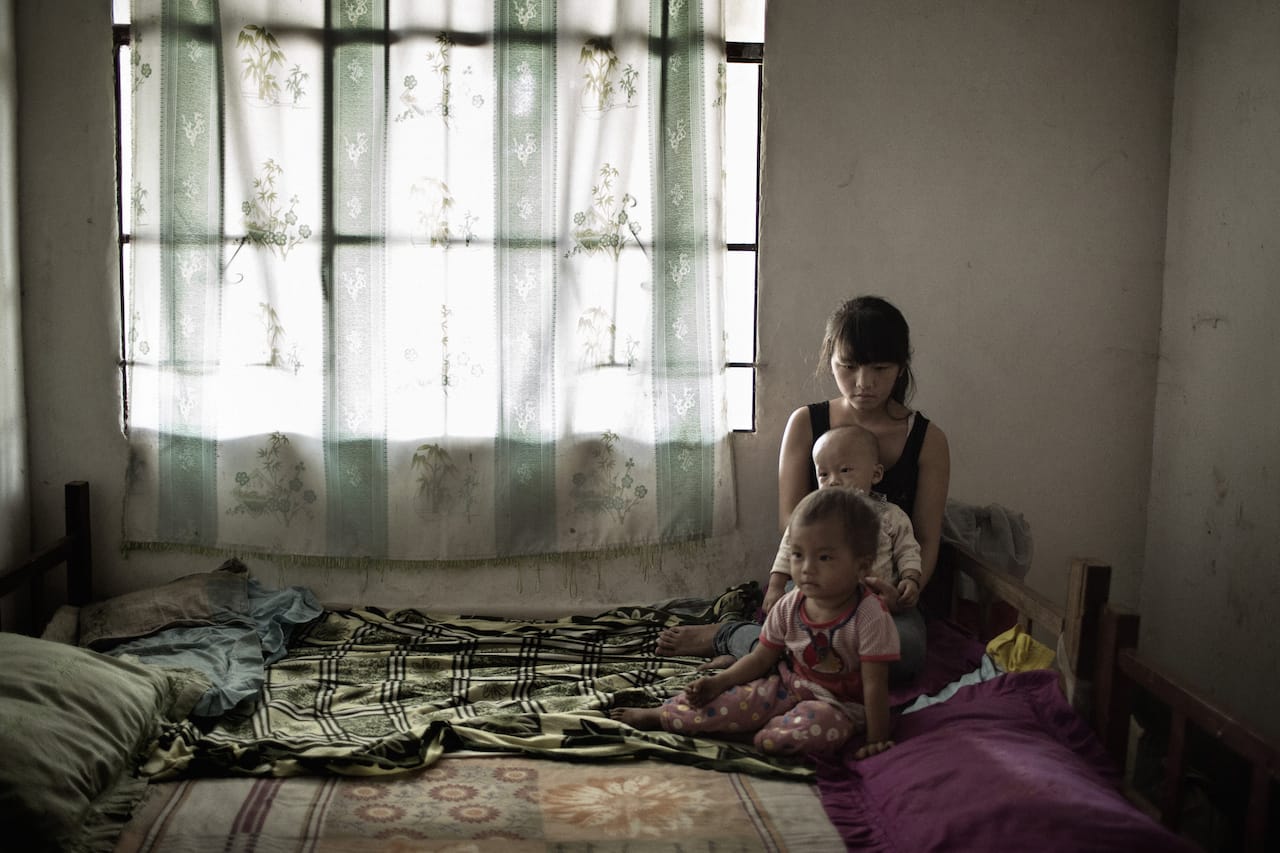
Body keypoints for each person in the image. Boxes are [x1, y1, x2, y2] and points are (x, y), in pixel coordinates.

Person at [658, 295, 950, 682]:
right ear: (830, 360)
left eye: (880, 368)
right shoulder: (806, 423)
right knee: (809, 638)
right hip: (817, 584)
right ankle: (731, 635)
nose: (864, 383)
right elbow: (791, 522)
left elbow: (927, 537)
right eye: (849, 367)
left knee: (904, 653)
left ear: (901, 367)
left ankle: (755, 649)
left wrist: (907, 589)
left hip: (886, 594)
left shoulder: (928, 440)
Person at [613, 488, 898, 758]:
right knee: (731, 700)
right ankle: (661, 715)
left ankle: (756, 735)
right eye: (798, 555)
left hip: (838, 707)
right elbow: (761, 658)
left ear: (862, 566)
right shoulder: (789, 605)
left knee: (810, 730)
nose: (806, 568)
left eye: (824, 557)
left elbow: (874, 685)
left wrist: (877, 739)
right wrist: (719, 683)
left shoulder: (869, 616)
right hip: (789, 687)